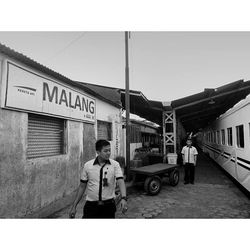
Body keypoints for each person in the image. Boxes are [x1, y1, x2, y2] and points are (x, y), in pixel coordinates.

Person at [69, 139, 127, 218]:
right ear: (98, 152)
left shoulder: (115, 165)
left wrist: (124, 198)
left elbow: (120, 181)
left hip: (108, 206)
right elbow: (82, 186)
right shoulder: (88, 165)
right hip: (91, 206)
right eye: (105, 151)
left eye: (109, 150)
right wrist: (74, 206)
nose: (108, 153)